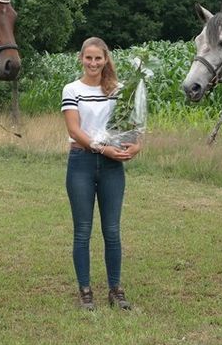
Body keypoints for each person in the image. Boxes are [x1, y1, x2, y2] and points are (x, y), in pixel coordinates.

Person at [61, 37, 141, 311]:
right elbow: (75, 131)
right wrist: (102, 149)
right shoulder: (71, 89)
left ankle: (115, 290)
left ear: (106, 59)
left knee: (112, 231)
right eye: (88, 58)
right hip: (82, 163)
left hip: (111, 168)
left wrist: (136, 145)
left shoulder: (119, 90)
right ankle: (85, 290)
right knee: (82, 231)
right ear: (81, 59)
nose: (93, 63)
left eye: (98, 58)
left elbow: (131, 126)